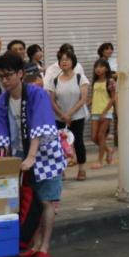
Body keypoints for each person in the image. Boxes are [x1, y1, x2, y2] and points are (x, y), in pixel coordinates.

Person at [0, 51, 67, 257]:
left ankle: (44, 246)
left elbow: (39, 127)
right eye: (1, 76)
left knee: (46, 201)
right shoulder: (1, 102)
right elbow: (0, 137)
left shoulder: (36, 94)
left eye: (9, 75)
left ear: (21, 73)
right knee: (25, 202)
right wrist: (2, 163)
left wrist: (32, 156)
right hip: (20, 158)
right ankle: (32, 244)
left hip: (45, 155)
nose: (5, 80)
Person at [48, 51, 90, 180]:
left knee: (78, 142)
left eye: (67, 59)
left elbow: (83, 99)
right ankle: (61, 170)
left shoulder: (80, 78)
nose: (64, 61)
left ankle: (82, 169)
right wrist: (62, 115)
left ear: (73, 62)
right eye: (61, 59)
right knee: (60, 144)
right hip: (59, 117)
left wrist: (69, 114)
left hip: (77, 116)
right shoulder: (54, 80)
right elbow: (51, 100)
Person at [89, 59, 116, 167]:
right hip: (95, 111)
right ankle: (108, 151)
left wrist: (104, 112)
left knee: (101, 136)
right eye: (96, 67)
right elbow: (95, 97)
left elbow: (113, 98)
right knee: (93, 137)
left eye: (101, 66)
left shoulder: (110, 81)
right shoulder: (95, 82)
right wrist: (87, 103)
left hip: (106, 112)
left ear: (106, 68)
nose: (98, 69)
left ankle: (99, 161)